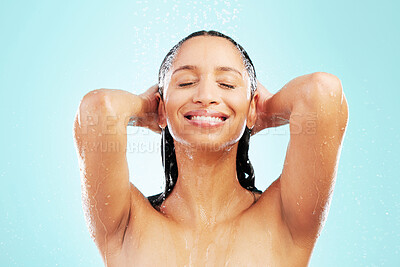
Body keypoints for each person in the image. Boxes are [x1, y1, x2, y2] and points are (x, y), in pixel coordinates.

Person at [73, 30, 348, 266]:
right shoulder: (126, 225)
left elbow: (322, 93)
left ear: (252, 106)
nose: (205, 96)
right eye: (186, 83)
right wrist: (150, 109)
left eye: (226, 84)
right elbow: (99, 109)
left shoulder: (284, 219)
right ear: (162, 108)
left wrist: (264, 112)